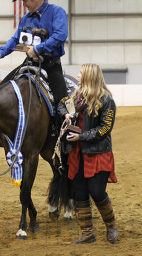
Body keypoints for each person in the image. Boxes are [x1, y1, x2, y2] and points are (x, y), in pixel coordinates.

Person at [0, 0, 69, 122]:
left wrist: (38, 49)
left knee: (62, 105)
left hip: (51, 64)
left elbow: (60, 35)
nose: (24, 5)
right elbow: (15, 39)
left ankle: (64, 133)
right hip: (29, 62)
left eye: (25, 1)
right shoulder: (25, 19)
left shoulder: (56, 12)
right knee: (1, 90)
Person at [59, 63, 118, 244]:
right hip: (79, 153)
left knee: (98, 192)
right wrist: (66, 115)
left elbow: (104, 129)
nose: (77, 75)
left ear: (89, 77)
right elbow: (61, 105)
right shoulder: (77, 96)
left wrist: (81, 137)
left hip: (98, 153)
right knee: (80, 194)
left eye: (80, 73)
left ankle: (111, 226)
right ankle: (87, 234)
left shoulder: (107, 100)